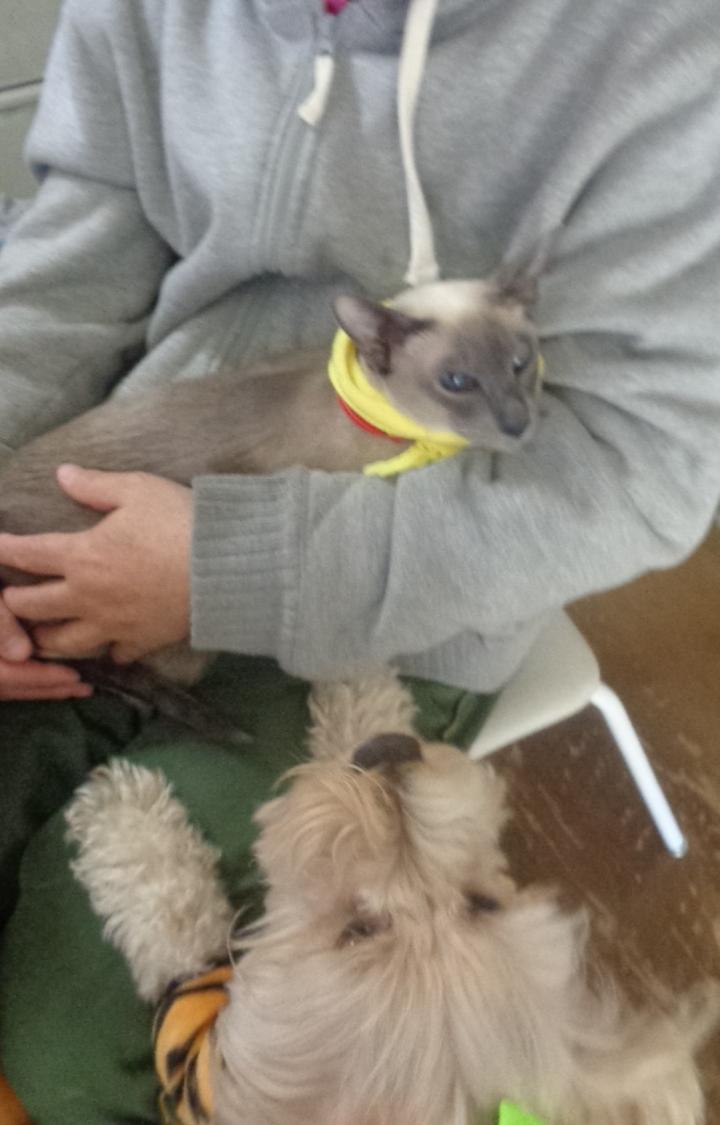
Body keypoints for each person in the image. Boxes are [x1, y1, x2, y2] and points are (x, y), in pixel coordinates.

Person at [1, 0, 720, 874]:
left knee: (113, 940)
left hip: (400, 604)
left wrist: (235, 572)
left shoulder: (664, 46)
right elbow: (81, 241)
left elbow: (647, 463)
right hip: (108, 494)